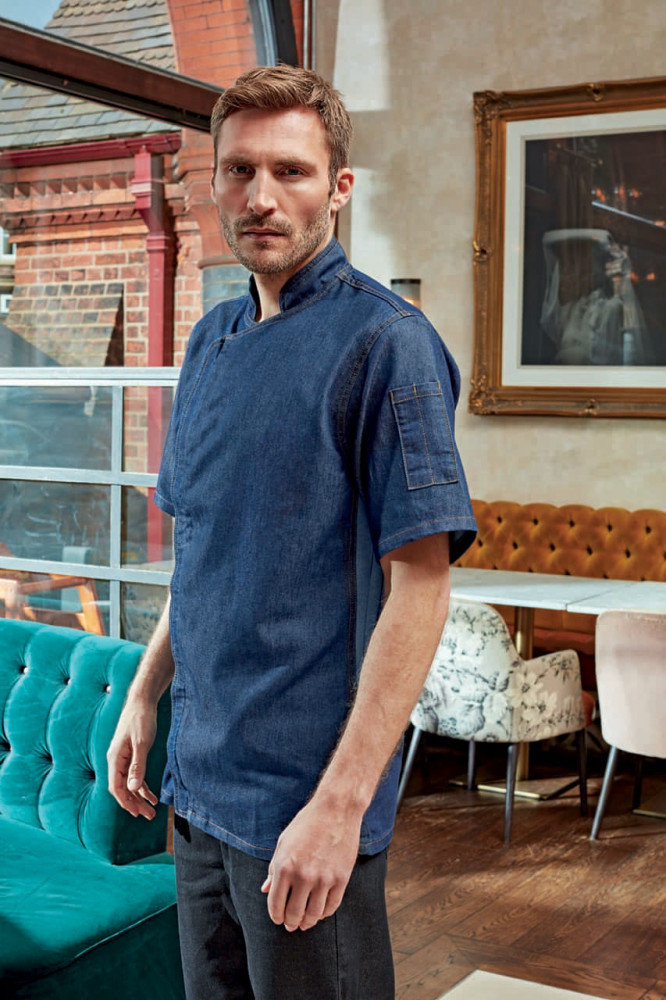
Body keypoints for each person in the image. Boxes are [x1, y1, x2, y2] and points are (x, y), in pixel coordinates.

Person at [107, 64, 476, 1000]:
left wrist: (340, 809)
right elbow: (203, 545)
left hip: (303, 804)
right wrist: (146, 694)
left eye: (292, 171)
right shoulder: (210, 341)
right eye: (239, 170)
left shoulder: (388, 344)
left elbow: (422, 588)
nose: (261, 197)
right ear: (214, 183)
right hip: (197, 791)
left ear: (338, 187)